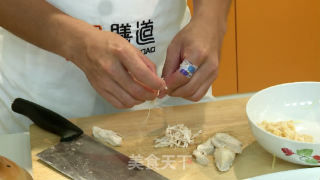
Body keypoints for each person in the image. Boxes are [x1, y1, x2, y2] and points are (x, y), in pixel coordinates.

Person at [0, 0, 231, 134]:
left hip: (175, 97)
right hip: (45, 112)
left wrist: (211, 21)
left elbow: (212, 16)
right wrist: (76, 43)